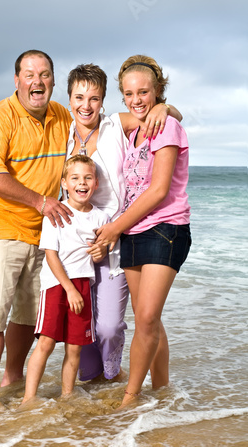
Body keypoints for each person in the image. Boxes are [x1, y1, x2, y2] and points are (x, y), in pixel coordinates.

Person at [0, 50, 73, 411]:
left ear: (53, 81)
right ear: (16, 81)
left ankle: (11, 380)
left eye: (44, 75)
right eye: (29, 75)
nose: (37, 82)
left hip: (41, 233)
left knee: (28, 315)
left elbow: (101, 125)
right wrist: (42, 202)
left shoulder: (62, 115)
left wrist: (162, 109)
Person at [65, 64, 183, 383]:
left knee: (113, 325)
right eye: (79, 97)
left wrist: (163, 104)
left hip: (117, 238)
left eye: (94, 98)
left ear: (104, 100)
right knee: (77, 321)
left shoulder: (116, 123)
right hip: (73, 243)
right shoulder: (60, 133)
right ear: (69, 98)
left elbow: (169, 117)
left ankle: (120, 376)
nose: (86, 105)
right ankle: (95, 383)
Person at [96, 55, 192, 408]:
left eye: (145, 92)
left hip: (166, 228)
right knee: (148, 320)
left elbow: (158, 190)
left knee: (147, 317)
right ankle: (162, 391)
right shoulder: (133, 127)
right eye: (129, 93)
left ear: (158, 91)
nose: (136, 100)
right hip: (133, 231)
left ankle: (130, 398)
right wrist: (121, 230)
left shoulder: (165, 126)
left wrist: (112, 230)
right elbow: (100, 122)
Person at [21, 155, 109, 403]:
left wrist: (102, 251)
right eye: (75, 178)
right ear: (64, 183)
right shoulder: (55, 213)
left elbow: (103, 251)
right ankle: (29, 398)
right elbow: (51, 256)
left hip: (83, 285)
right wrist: (69, 289)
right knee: (46, 343)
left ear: (96, 183)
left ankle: (67, 396)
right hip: (56, 285)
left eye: (88, 178)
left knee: (74, 348)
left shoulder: (101, 218)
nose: (82, 183)